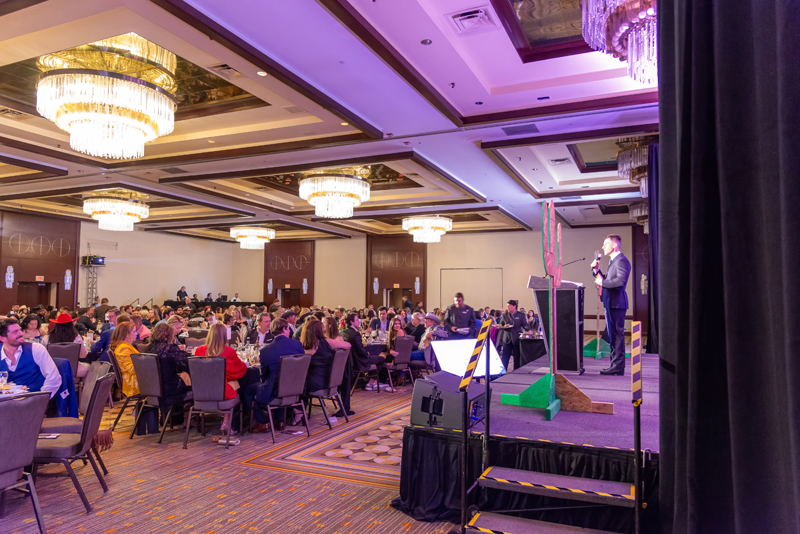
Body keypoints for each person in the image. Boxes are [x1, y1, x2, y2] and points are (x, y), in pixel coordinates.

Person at [247, 318, 304, 434]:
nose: (290, 331)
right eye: (288, 329)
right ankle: (280, 421)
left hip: (276, 391)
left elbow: (264, 376)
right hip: (297, 389)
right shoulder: (297, 345)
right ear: (284, 329)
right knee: (277, 382)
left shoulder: (265, 351)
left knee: (248, 390)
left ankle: (263, 421)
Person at [194, 323, 247, 434]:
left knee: (227, 382)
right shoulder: (228, 351)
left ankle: (225, 420)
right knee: (233, 382)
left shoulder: (199, 350)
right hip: (221, 392)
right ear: (224, 336)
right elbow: (238, 369)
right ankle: (227, 421)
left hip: (201, 391)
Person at [592, 234, 632, 376]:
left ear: (614, 245)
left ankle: (617, 366)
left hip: (617, 303)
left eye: (606, 244)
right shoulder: (613, 261)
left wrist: (602, 282)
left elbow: (620, 282)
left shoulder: (622, 261)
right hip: (611, 303)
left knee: (617, 336)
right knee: (613, 336)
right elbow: (607, 280)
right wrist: (596, 271)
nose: (603, 247)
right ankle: (615, 365)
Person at [145, 323, 191, 425]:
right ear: (169, 335)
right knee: (193, 387)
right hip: (170, 390)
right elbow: (187, 365)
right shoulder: (170, 349)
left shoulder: (148, 348)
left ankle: (170, 417)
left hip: (152, 389)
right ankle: (190, 420)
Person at [0, 320, 61, 397]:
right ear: (2, 338)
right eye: (15, 332)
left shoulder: (36, 349)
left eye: (20, 330)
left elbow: (54, 378)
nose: (21, 333)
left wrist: (42, 399)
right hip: (5, 401)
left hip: (32, 400)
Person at [342, 312, 386, 396]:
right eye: (356, 319)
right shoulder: (355, 334)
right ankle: (371, 382)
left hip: (349, 362)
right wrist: (367, 354)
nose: (359, 321)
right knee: (381, 358)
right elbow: (361, 351)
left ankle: (371, 381)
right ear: (351, 322)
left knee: (375, 356)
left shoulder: (343, 332)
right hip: (359, 362)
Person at [497, 300, 529, 371]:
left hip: (517, 338)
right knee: (505, 356)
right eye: (507, 306)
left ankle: (516, 372)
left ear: (514, 306)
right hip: (506, 339)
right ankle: (502, 372)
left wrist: (528, 330)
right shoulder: (505, 315)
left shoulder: (521, 315)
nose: (507, 308)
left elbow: (525, 325)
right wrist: (500, 326)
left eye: (509, 306)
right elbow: (501, 324)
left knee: (516, 356)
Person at [110, 322, 139, 397]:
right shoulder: (123, 348)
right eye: (134, 332)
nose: (136, 333)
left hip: (135, 379)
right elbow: (131, 369)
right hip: (133, 382)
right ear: (126, 335)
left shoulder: (126, 346)